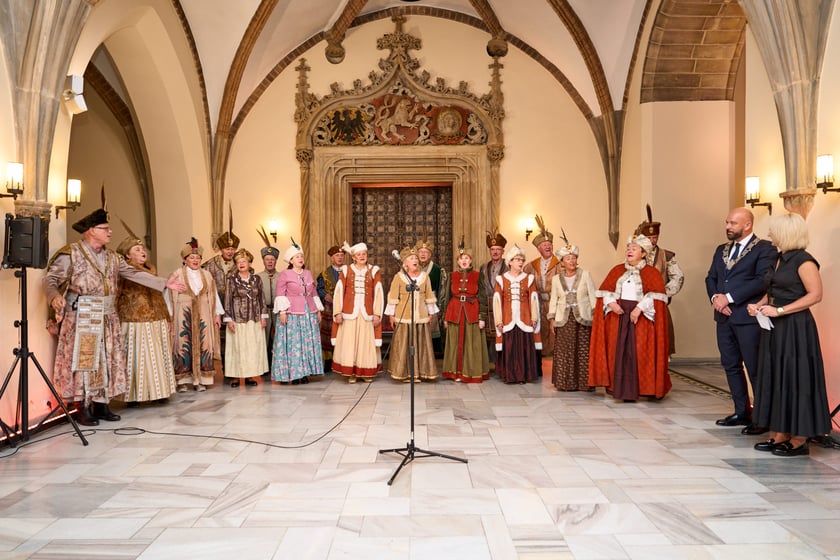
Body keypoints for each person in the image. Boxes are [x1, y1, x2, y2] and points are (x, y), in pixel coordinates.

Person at [44, 207, 185, 426]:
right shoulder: (71, 254)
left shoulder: (112, 257)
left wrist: (164, 283)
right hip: (83, 315)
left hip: (108, 315)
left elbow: (133, 273)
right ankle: (82, 406)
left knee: (108, 359)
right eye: (105, 229)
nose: (110, 232)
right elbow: (50, 280)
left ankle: (101, 404)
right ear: (91, 231)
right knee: (85, 361)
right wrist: (54, 297)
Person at [747, 213, 831, 457]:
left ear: (786, 233)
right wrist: (759, 304)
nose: (769, 234)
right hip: (775, 326)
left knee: (795, 378)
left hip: (795, 327)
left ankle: (800, 437)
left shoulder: (804, 261)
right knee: (776, 376)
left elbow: (815, 295)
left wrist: (780, 310)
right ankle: (781, 431)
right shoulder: (779, 258)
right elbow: (772, 289)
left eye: (773, 231)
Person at [705, 207, 778, 432]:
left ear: (747, 225)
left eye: (733, 223)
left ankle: (763, 417)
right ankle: (741, 411)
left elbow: (761, 281)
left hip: (747, 318)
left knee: (755, 367)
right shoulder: (721, 249)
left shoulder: (765, 249)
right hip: (724, 317)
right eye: (727, 222)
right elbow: (711, 278)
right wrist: (716, 299)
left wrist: (728, 298)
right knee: (730, 365)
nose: (728, 227)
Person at [588, 235, 671, 401]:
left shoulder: (651, 273)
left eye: (634, 248)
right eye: (628, 248)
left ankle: (642, 389)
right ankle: (618, 389)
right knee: (618, 353)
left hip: (640, 320)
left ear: (644, 253)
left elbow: (657, 297)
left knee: (638, 354)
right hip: (618, 316)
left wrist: (639, 309)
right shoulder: (617, 270)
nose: (629, 251)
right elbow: (604, 292)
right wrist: (611, 303)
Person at [115, 234, 177, 405]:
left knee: (158, 357)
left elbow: (160, 297)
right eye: (137, 249)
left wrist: (167, 317)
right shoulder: (125, 272)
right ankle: (133, 396)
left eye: (143, 249)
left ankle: (160, 392)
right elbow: (116, 294)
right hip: (134, 321)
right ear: (127, 255)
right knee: (135, 359)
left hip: (156, 320)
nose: (142, 252)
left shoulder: (152, 272)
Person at [170, 238, 224, 392]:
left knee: (204, 344)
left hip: (204, 313)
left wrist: (217, 314)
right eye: (191, 258)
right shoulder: (177, 274)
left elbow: (213, 296)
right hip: (183, 314)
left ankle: (200, 379)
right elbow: (170, 296)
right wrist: (169, 316)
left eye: (198, 258)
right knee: (182, 344)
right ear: (184, 259)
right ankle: (182, 381)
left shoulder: (207, 275)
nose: (195, 260)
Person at [546, 234, 596, 391]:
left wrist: (596, 316)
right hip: (564, 319)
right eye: (568, 259)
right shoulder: (556, 279)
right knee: (565, 352)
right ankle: (565, 383)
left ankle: (585, 383)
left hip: (583, 318)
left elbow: (593, 296)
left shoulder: (585, 275)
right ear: (562, 262)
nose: (572, 261)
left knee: (583, 351)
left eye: (574, 258)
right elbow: (553, 299)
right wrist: (552, 318)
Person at [272, 240, 324, 384]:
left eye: (301, 256)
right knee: (294, 343)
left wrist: (318, 310)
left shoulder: (308, 273)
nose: (300, 258)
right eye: (297, 257)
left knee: (306, 342)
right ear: (291, 260)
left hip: (308, 312)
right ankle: (292, 374)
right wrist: (282, 311)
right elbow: (280, 294)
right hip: (292, 313)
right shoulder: (285, 274)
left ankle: (304, 372)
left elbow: (313, 292)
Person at [385, 245, 440, 382]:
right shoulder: (398, 277)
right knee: (404, 346)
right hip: (404, 317)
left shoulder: (424, 277)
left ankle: (421, 372)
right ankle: (404, 373)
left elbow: (429, 296)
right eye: (411, 258)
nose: (415, 260)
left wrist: (430, 313)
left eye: (416, 258)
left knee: (421, 345)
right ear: (405, 263)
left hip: (420, 317)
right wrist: (391, 315)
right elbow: (393, 297)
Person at [331, 242, 384, 383]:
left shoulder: (374, 271)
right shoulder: (346, 270)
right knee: (350, 343)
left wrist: (377, 314)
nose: (362, 256)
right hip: (349, 313)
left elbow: (378, 293)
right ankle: (352, 372)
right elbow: (339, 291)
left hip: (367, 314)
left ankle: (366, 372)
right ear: (353, 257)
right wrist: (337, 312)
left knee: (366, 343)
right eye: (359, 254)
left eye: (364, 254)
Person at [635, 205, 684, 356]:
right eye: (649, 238)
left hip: (658, 305)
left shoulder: (666, 256)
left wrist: (663, 293)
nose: (652, 240)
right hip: (636, 305)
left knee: (660, 345)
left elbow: (678, 277)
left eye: (654, 237)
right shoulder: (634, 255)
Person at [441, 240, 489, 383]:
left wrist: (482, 317)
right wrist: (444, 316)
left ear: (471, 260)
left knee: (472, 343)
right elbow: (446, 297)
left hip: (472, 312)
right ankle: (455, 373)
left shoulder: (478, 275)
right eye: (461, 259)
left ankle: (470, 373)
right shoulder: (451, 276)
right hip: (454, 311)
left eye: (467, 258)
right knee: (454, 342)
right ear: (457, 260)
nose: (464, 261)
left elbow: (482, 296)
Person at [492, 244, 541, 384]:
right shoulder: (501, 279)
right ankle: (511, 375)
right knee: (510, 347)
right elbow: (497, 301)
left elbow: (533, 299)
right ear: (510, 262)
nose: (520, 262)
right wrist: (499, 321)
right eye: (517, 259)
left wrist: (534, 318)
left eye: (522, 259)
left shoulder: (528, 278)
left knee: (524, 346)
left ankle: (524, 375)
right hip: (507, 319)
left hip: (525, 319)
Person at [223, 248, 268, 387]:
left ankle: (249, 376)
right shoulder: (232, 280)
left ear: (249, 263)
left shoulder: (257, 279)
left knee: (252, 349)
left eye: (244, 261)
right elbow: (228, 300)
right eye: (238, 262)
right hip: (238, 319)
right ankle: (237, 377)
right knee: (238, 348)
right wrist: (229, 319)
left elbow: (262, 299)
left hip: (254, 318)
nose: (241, 264)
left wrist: (263, 316)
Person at [203, 219, 239, 373]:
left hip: (235, 307)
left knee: (234, 337)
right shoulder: (210, 264)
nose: (230, 252)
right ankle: (219, 368)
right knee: (219, 338)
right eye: (226, 248)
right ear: (220, 249)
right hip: (216, 306)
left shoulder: (240, 264)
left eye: (232, 248)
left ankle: (233, 369)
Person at [523, 215, 560, 358]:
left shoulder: (559, 263)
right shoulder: (532, 265)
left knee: (554, 332)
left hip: (554, 302)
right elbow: (521, 276)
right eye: (544, 245)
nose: (548, 246)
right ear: (539, 248)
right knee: (540, 330)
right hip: (538, 303)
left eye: (549, 244)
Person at [479, 230, 508, 370]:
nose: (495, 252)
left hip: (502, 305)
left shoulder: (508, 267)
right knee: (486, 336)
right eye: (492, 249)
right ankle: (489, 363)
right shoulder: (483, 267)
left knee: (501, 333)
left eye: (498, 249)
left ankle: (501, 363)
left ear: (503, 251)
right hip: (487, 304)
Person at [416, 235, 447, 357]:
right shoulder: (411, 268)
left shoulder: (437, 270)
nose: (423, 254)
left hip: (430, 304)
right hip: (415, 304)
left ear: (430, 254)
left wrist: (440, 309)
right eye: (421, 252)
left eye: (426, 252)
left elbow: (442, 290)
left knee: (430, 331)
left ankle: (429, 358)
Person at [317, 245, 345, 371]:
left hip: (346, 306)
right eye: (337, 256)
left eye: (341, 255)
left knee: (344, 333)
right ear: (331, 258)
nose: (339, 258)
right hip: (330, 307)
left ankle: (343, 360)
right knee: (328, 335)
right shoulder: (324, 274)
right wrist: (326, 295)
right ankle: (328, 361)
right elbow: (319, 289)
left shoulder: (348, 271)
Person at [256, 227, 280, 377]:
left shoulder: (282, 276)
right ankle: (263, 367)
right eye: (267, 259)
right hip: (263, 313)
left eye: (272, 260)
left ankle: (277, 365)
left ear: (276, 261)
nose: (270, 262)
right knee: (263, 340)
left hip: (278, 312)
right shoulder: (257, 277)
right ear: (263, 261)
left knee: (278, 339)